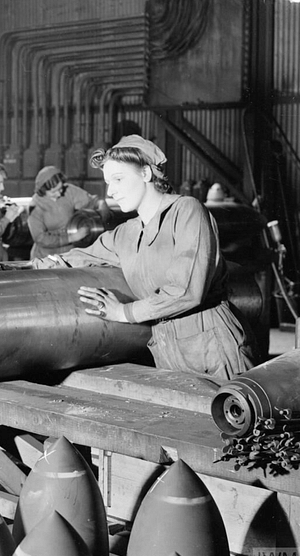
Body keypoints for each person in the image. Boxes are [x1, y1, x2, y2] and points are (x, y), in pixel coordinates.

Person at [32, 135, 258, 381]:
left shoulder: (187, 211)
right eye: (108, 182)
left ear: (146, 174)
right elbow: (75, 258)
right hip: (166, 350)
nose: (111, 191)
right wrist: (6, 267)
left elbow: (186, 291)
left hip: (214, 348)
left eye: (118, 179)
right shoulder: (127, 233)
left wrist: (123, 312)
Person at [27, 165, 109, 259]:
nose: (59, 193)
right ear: (43, 191)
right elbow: (40, 238)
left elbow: (91, 201)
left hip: (69, 254)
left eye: (60, 188)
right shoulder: (36, 206)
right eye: (54, 192)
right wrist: (71, 238)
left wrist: (101, 204)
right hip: (46, 257)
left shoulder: (68, 191)